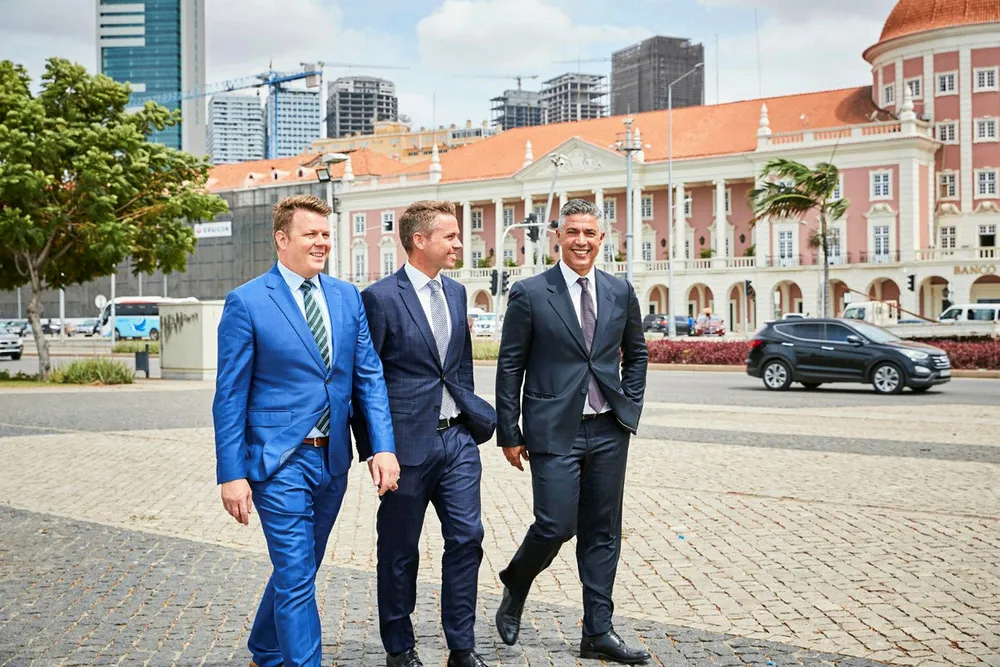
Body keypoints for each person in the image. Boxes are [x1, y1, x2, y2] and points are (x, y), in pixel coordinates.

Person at [213, 194, 400, 667]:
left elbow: (369, 377)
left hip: (332, 459)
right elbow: (230, 396)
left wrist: (383, 447)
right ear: (282, 239)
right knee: (297, 576)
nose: (321, 243)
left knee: (300, 567)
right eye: (310, 234)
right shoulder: (247, 302)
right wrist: (231, 474)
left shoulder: (346, 297)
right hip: (278, 460)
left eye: (326, 234)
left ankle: (264, 649)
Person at [494, 199, 650, 664]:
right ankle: (517, 580)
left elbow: (637, 353)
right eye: (573, 232)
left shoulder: (620, 290)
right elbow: (510, 365)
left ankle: (597, 632)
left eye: (590, 233)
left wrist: (629, 404)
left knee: (602, 531)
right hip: (551, 428)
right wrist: (509, 431)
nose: (582, 240)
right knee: (555, 524)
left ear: (601, 239)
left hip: (608, 428)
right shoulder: (530, 292)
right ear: (558, 237)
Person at [352, 200, 498, 667]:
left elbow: (459, 366)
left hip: (457, 441)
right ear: (420, 240)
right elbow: (365, 380)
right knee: (399, 551)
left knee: (467, 539)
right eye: (450, 236)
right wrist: (377, 450)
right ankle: (400, 648)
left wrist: (470, 416)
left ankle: (462, 647)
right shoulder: (380, 298)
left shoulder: (456, 292)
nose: (460, 243)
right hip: (405, 448)